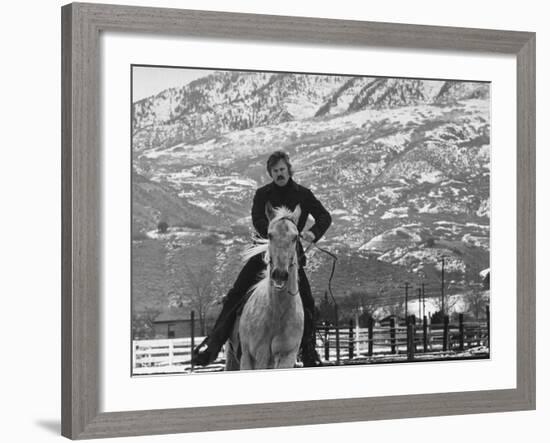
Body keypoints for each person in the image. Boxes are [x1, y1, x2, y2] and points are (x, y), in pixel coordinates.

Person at [192, 150, 332, 367]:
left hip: (292, 258)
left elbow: (325, 216)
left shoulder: (304, 194)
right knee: (235, 295)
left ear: (289, 169)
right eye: (275, 171)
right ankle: (213, 346)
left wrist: (313, 233)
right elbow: (258, 219)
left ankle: (308, 351)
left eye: (282, 169)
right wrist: (274, 230)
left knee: (308, 302)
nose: (279, 174)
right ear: (270, 173)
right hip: (263, 253)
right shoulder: (262, 194)